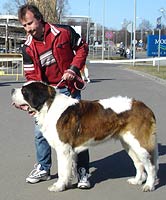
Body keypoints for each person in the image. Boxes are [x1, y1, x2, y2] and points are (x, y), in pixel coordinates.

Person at [18, 4, 90, 189]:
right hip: (45, 94)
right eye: (25, 26)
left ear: (39, 19)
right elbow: (31, 77)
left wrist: (73, 69)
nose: (29, 29)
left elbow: (82, 48)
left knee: (78, 131)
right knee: (40, 132)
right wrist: (30, 101)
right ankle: (43, 168)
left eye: (30, 23)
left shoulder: (64, 32)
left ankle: (82, 171)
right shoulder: (27, 48)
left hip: (68, 88)